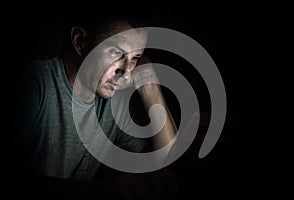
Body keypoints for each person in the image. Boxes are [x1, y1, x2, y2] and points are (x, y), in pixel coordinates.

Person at [18, 11, 178, 198]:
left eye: (135, 58)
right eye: (117, 52)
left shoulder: (115, 98)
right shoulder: (34, 83)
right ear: (80, 42)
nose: (126, 72)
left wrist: (150, 84)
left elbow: (165, 161)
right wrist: (106, 190)